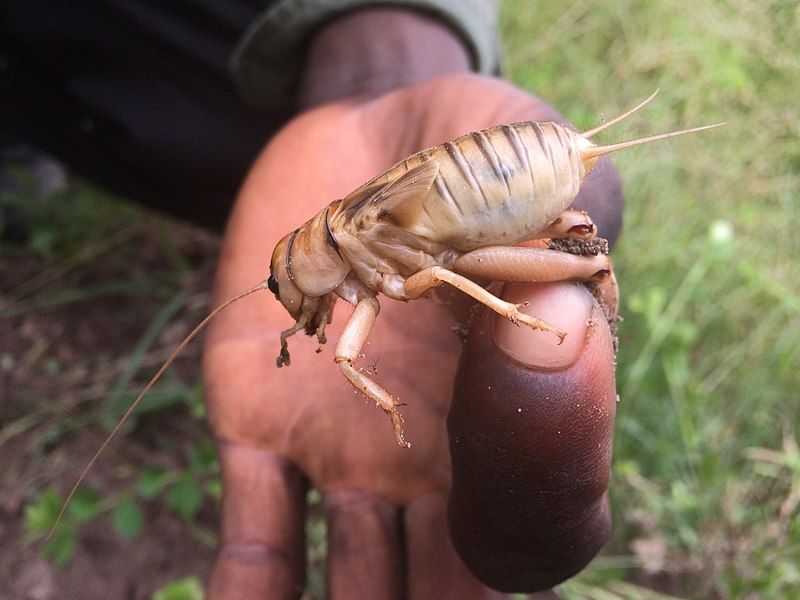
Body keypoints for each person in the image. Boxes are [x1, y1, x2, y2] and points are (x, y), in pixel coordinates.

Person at [2, 2, 623, 597]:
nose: (299, 314)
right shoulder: (356, 253)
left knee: (450, 279)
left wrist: (507, 311)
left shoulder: (362, 249)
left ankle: (526, 310)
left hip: (504, 178)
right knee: (466, 272)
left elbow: (434, 277)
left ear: (306, 264)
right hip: (498, 182)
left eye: (289, 289)